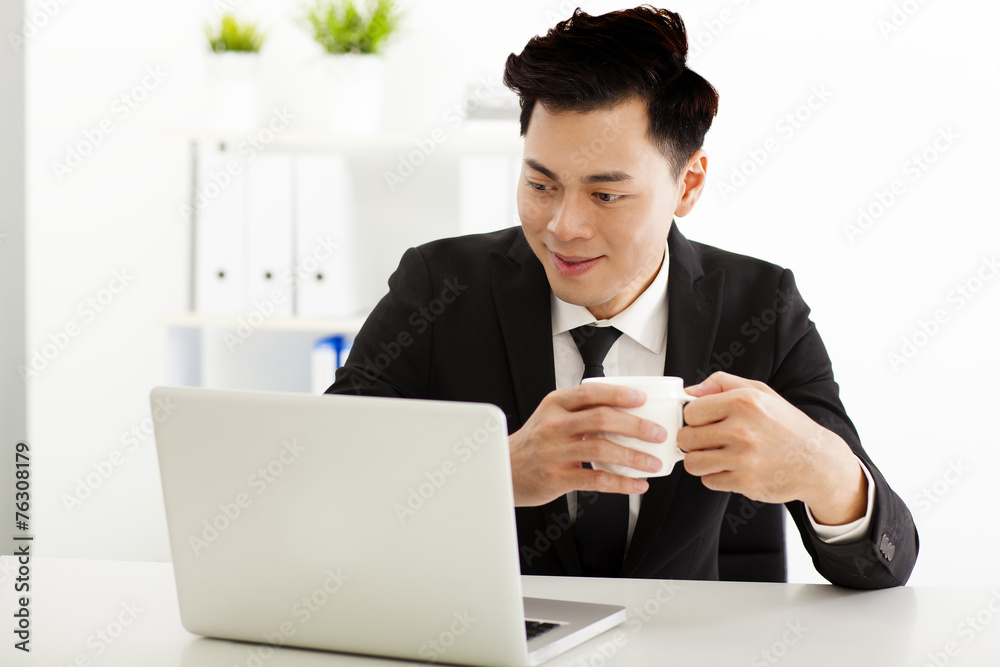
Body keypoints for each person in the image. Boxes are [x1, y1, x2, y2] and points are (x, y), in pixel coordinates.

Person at [326, 6, 917, 588]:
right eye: (540, 184)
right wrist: (494, 473)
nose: (563, 227)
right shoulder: (439, 286)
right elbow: (321, 479)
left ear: (688, 184)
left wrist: (826, 472)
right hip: (487, 636)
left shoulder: (761, 305)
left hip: (683, 639)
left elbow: (887, 563)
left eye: (605, 195)